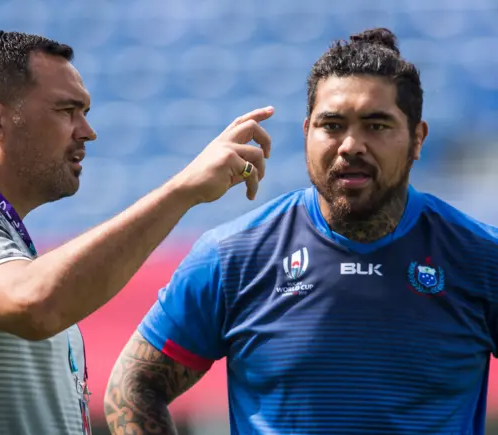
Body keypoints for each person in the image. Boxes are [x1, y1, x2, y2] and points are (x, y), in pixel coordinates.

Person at [0, 30, 274, 435]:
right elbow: (36, 304)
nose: (87, 131)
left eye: (85, 113)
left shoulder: (2, 239)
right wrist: (181, 190)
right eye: (66, 111)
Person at [105, 27, 498, 435]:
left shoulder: (480, 256)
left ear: (417, 139)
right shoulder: (235, 255)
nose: (350, 145)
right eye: (332, 125)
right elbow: (132, 386)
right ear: (306, 132)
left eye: (376, 126)